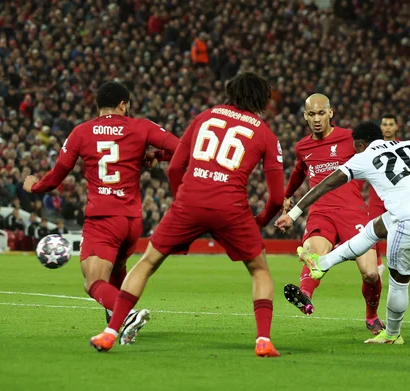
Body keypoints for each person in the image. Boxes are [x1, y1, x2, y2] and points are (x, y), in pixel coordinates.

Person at [90, 72, 284, 358]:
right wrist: (261, 221)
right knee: (259, 270)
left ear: (230, 91)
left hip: (190, 201)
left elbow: (174, 168)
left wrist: (182, 198)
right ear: (260, 98)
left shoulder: (203, 117)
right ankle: (263, 340)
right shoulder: (266, 134)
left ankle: (110, 332)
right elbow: (277, 197)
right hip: (231, 208)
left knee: (147, 262)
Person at [275, 121, 410, 344]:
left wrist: (294, 213)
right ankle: (322, 264)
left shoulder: (363, 157)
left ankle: (392, 335)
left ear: (361, 144)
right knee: (373, 230)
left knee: (398, 280)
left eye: (356, 147)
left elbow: (325, 185)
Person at [24, 81, 179, 343]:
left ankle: (127, 316)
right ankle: (115, 320)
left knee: (93, 281)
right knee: (118, 267)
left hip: (103, 218)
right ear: (122, 104)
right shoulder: (141, 126)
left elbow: (57, 174)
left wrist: (34, 186)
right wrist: (157, 156)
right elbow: (181, 147)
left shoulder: (81, 132)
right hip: (132, 220)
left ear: (98, 106)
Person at [281, 93, 384, 335]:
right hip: (321, 212)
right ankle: (305, 295)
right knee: (313, 252)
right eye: (311, 114)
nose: (316, 119)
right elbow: (298, 171)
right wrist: (287, 196)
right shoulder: (302, 146)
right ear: (305, 116)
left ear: (330, 113)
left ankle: (372, 316)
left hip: (353, 211)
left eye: (320, 113)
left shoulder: (351, 139)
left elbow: (379, 159)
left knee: (370, 273)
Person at [367, 114, 399, 276]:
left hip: (396, 196)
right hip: (376, 195)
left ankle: (398, 262)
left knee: (399, 230)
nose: (387, 127)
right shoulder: (372, 148)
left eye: (390, 124)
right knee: (372, 230)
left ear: (396, 127)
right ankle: (378, 264)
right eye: (384, 124)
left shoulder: (402, 146)